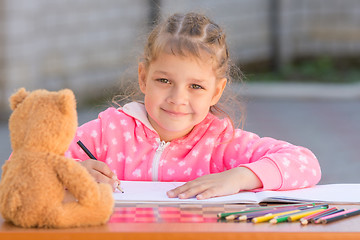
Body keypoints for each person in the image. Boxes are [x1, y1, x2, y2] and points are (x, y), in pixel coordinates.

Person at [65, 12, 321, 200]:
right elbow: (33, 162)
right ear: (143, 78)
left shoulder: (221, 143)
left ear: (216, 91)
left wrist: (239, 177)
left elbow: (305, 163)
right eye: (164, 80)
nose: (177, 98)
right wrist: (71, 170)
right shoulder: (108, 131)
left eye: (195, 86)